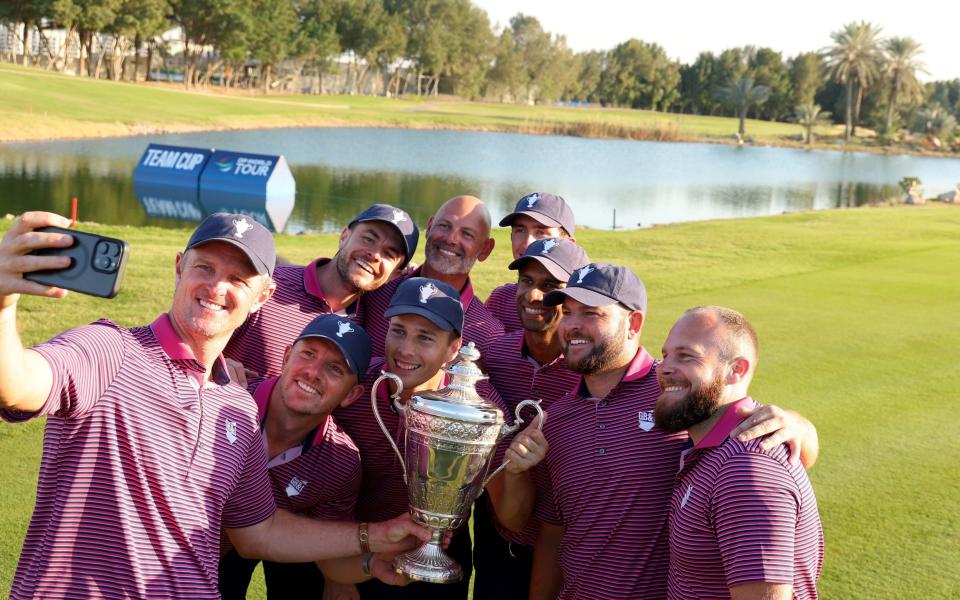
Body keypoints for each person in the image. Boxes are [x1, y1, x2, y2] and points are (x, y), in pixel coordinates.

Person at [0, 211, 430, 600]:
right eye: (205, 266)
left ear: (262, 297)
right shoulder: (111, 351)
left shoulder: (239, 410)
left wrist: (379, 535)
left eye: (239, 280)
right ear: (179, 267)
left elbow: (260, 533)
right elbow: (18, 384)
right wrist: (2, 302)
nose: (217, 287)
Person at [529, 263, 820, 599]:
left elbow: (766, 447)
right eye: (568, 312)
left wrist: (800, 424)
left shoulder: (744, 462)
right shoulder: (690, 435)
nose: (667, 368)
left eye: (591, 312)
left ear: (633, 324)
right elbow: (553, 531)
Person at [335, 276, 529, 600]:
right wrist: (338, 574)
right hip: (354, 554)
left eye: (425, 338)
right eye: (398, 331)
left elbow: (513, 517)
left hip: (438, 564)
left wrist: (518, 468)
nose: (405, 350)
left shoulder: (482, 411)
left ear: (454, 349)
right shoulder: (357, 388)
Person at [219, 314, 409, 599]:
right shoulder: (224, 399)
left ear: (351, 394)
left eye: (335, 369)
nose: (313, 372)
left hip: (232, 555)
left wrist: (370, 563)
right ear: (286, 357)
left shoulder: (340, 464)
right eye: (308, 354)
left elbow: (330, 560)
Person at [655, 306, 823, 599]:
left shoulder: (745, 468)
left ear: (736, 370)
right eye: (666, 354)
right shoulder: (714, 450)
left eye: (686, 355)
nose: (665, 366)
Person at [472, 237, 588, 599]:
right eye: (527, 282)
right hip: (500, 542)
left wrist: (759, 414)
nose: (534, 296)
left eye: (551, 287)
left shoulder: (592, 367)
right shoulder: (493, 356)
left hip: (568, 547)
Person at [225, 203, 418, 379]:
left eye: (389, 254)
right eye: (368, 239)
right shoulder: (271, 284)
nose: (374, 255)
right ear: (344, 236)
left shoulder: (368, 321)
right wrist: (217, 361)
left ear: (396, 272)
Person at [359, 195, 504, 359]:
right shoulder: (377, 293)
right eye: (444, 226)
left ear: (485, 249)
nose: (451, 239)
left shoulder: (488, 335)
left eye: (467, 234)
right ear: (429, 227)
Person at [485, 192, 576, 333]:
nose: (527, 243)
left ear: (569, 245)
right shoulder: (500, 300)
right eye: (520, 230)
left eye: (541, 232)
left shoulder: (585, 307)